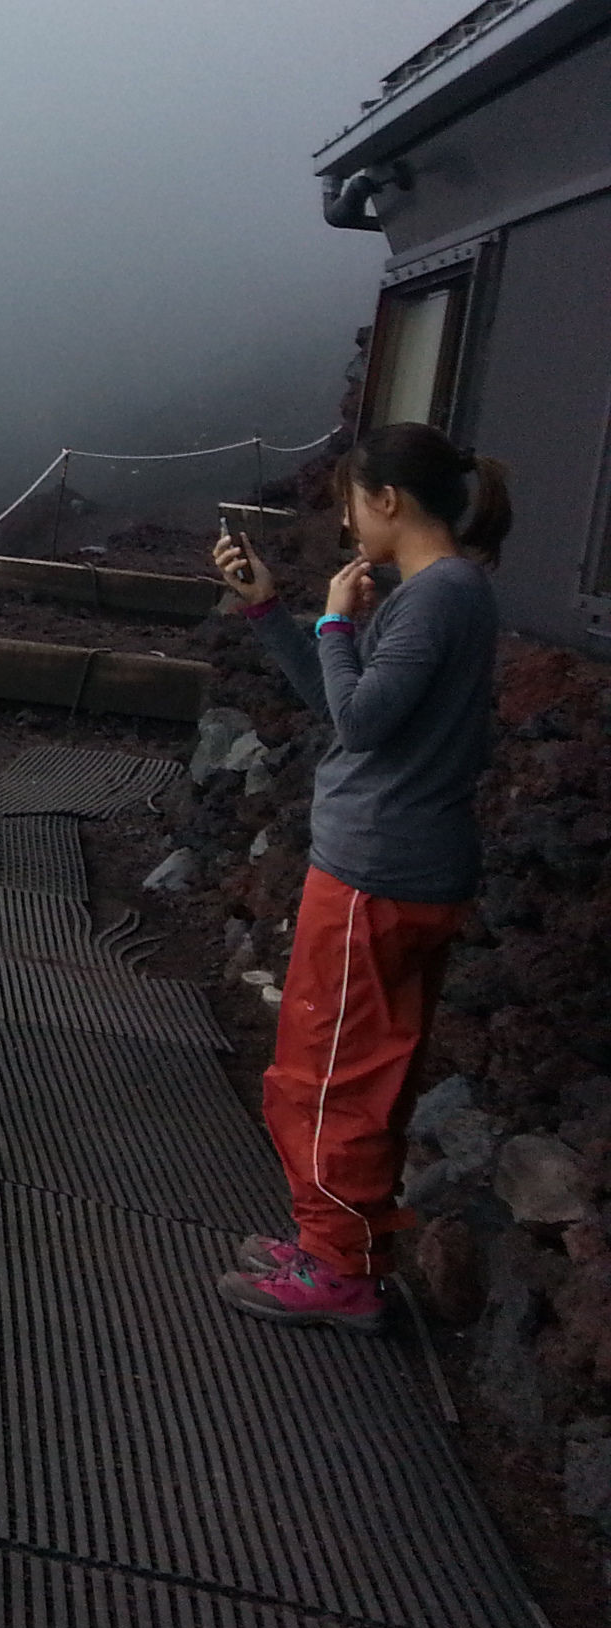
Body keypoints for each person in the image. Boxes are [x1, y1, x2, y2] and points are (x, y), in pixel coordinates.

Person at [206, 422, 511, 1332]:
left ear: (385, 500)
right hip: (395, 869)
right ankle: (332, 1245)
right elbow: (347, 710)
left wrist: (337, 620)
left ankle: (337, 1272)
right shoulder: (440, 593)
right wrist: (270, 610)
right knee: (356, 1072)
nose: (345, 522)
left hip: (379, 876)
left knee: (327, 1075)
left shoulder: (437, 595)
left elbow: (364, 721)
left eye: (349, 502)